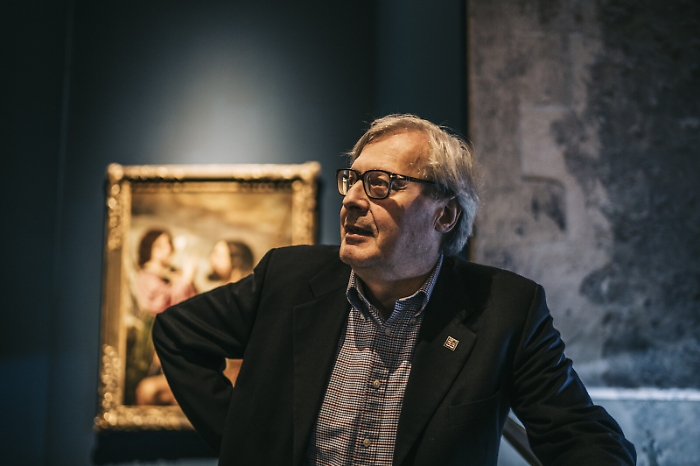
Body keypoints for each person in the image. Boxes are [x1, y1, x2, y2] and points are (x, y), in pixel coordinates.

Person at [153, 114, 636, 465]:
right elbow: (177, 333)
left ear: (445, 215)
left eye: (381, 183)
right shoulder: (289, 278)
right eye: (352, 180)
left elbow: (581, 436)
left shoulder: (504, 309)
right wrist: (246, 444)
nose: (351, 199)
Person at [127, 228, 197, 405]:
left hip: (178, 335)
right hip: (155, 337)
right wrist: (185, 281)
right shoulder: (146, 276)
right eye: (160, 246)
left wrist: (185, 280)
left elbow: (191, 304)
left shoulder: (174, 274)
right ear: (149, 250)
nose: (167, 249)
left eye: (168, 245)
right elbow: (162, 304)